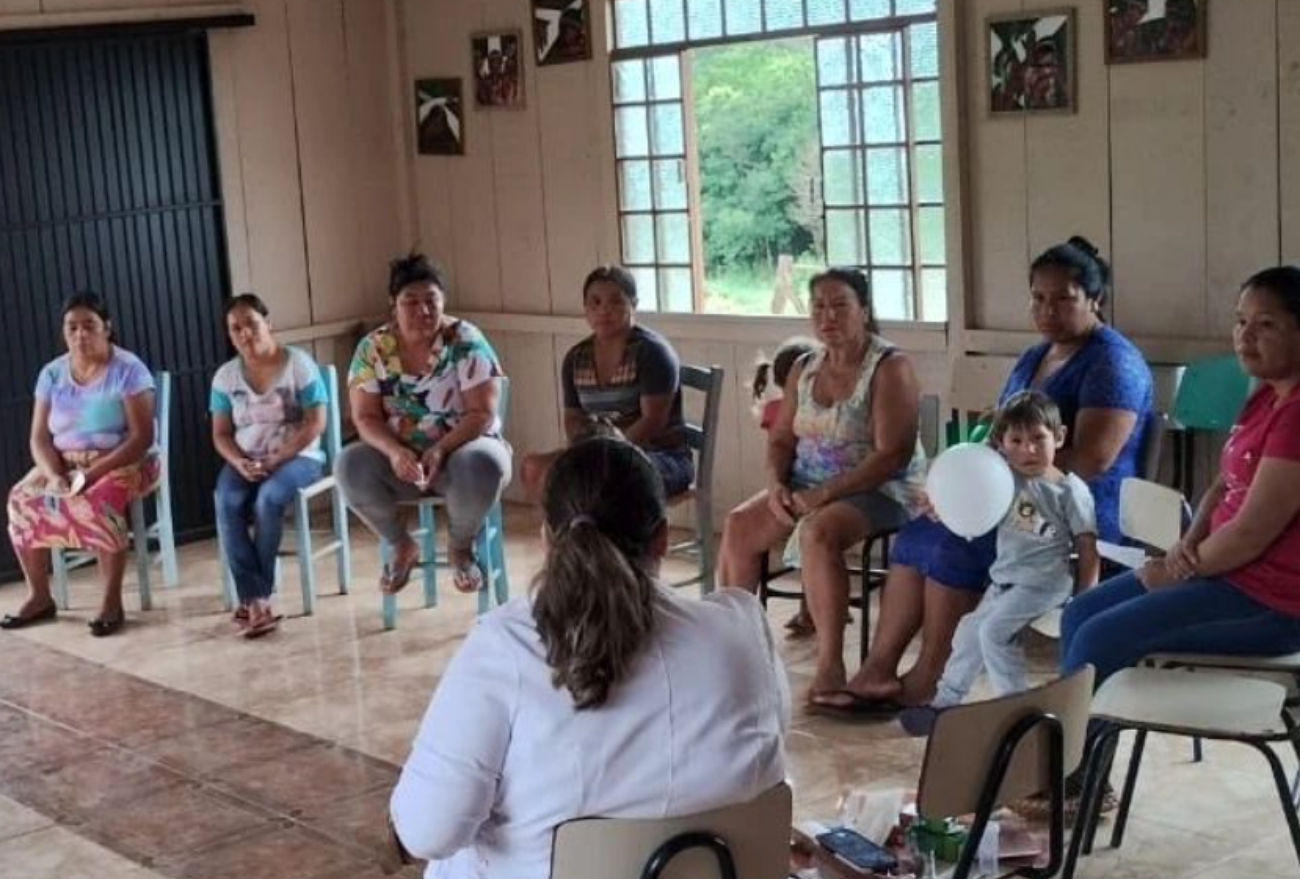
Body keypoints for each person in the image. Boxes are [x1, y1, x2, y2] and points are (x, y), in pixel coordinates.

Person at [387, 436, 788, 879]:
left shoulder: (506, 648)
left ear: (546, 538)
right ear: (661, 539)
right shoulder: (743, 630)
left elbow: (426, 832)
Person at [815, 236, 1152, 714]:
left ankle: (930, 679)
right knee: (919, 535)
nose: (1047, 310)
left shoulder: (1113, 363)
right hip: (1011, 499)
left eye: (1063, 299)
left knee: (957, 545)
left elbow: (1094, 458)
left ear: (1095, 300)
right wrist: (956, 486)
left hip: (1066, 512)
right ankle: (879, 669)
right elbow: (999, 433)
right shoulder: (1036, 356)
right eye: (1038, 298)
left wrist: (994, 484)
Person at [1061, 265, 1300, 692]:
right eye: (1241, 321)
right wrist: (1185, 548)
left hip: (1271, 602)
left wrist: (1180, 572)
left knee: (1101, 638)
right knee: (1078, 614)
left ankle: (1073, 756)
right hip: (1223, 571)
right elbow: (1224, 484)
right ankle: (1070, 750)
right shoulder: (1267, 393)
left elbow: (1250, 534)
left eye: (1266, 325)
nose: (1245, 337)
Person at [716, 268, 927, 701]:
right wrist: (776, 483)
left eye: (840, 305)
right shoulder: (804, 368)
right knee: (739, 525)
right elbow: (780, 440)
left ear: (864, 311)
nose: (827, 316)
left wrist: (823, 495)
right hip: (807, 483)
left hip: (882, 488)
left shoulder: (890, 367)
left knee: (819, 531)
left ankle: (830, 664)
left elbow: (893, 456)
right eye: (818, 307)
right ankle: (736, 651)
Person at [899, 391, 1098, 736]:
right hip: (1005, 579)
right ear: (1002, 445)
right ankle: (944, 704)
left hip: (1044, 582)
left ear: (1060, 437)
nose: (1029, 449)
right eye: (1016, 441)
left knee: (994, 634)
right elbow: (968, 500)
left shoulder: (1070, 491)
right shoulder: (1002, 479)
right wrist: (940, 502)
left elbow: (1088, 547)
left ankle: (1017, 713)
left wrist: (1086, 596)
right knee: (969, 633)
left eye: (1039, 438)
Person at [336, 253, 510, 595]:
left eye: (431, 301)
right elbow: (365, 417)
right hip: (400, 463)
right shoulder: (373, 349)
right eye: (410, 302)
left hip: (461, 453)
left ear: (443, 301)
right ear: (393, 305)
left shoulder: (465, 340)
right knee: (349, 466)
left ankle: (461, 546)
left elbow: (482, 413)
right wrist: (394, 451)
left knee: (483, 464)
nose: (423, 311)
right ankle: (400, 544)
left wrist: (441, 449)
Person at [4, 292, 157, 637]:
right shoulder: (52, 373)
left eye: (89, 326)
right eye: (72, 327)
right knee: (20, 499)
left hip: (124, 460)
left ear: (107, 328)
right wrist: (54, 475)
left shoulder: (128, 370)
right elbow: (38, 439)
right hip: (64, 462)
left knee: (98, 501)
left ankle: (110, 602)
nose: (80, 335)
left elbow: (141, 438)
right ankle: (39, 596)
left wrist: (92, 474)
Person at [520, 266, 693, 502]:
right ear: (585, 310)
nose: (604, 310)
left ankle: (619, 538)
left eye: (615, 301)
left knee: (607, 476)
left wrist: (608, 452)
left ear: (633, 304)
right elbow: (573, 418)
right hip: (598, 451)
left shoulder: (652, 353)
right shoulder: (576, 358)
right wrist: (585, 450)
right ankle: (563, 537)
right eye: (595, 302)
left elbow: (653, 421)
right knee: (534, 469)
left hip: (661, 456)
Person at [211, 294, 327, 638]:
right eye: (236, 328)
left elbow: (315, 423)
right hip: (246, 458)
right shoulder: (225, 377)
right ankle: (259, 598)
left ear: (268, 324)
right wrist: (239, 461)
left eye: (252, 323)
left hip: (299, 457)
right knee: (226, 500)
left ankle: (255, 598)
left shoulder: (298, 364)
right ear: (230, 336)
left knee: (267, 500)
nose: (245, 333)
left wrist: (278, 458)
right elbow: (220, 434)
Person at [752, 336, 820, 638]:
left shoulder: (771, 410)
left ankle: (814, 609)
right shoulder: (793, 409)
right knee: (811, 547)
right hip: (797, 488)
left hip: (793, 487)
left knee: (811, 547)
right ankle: (812, 610)